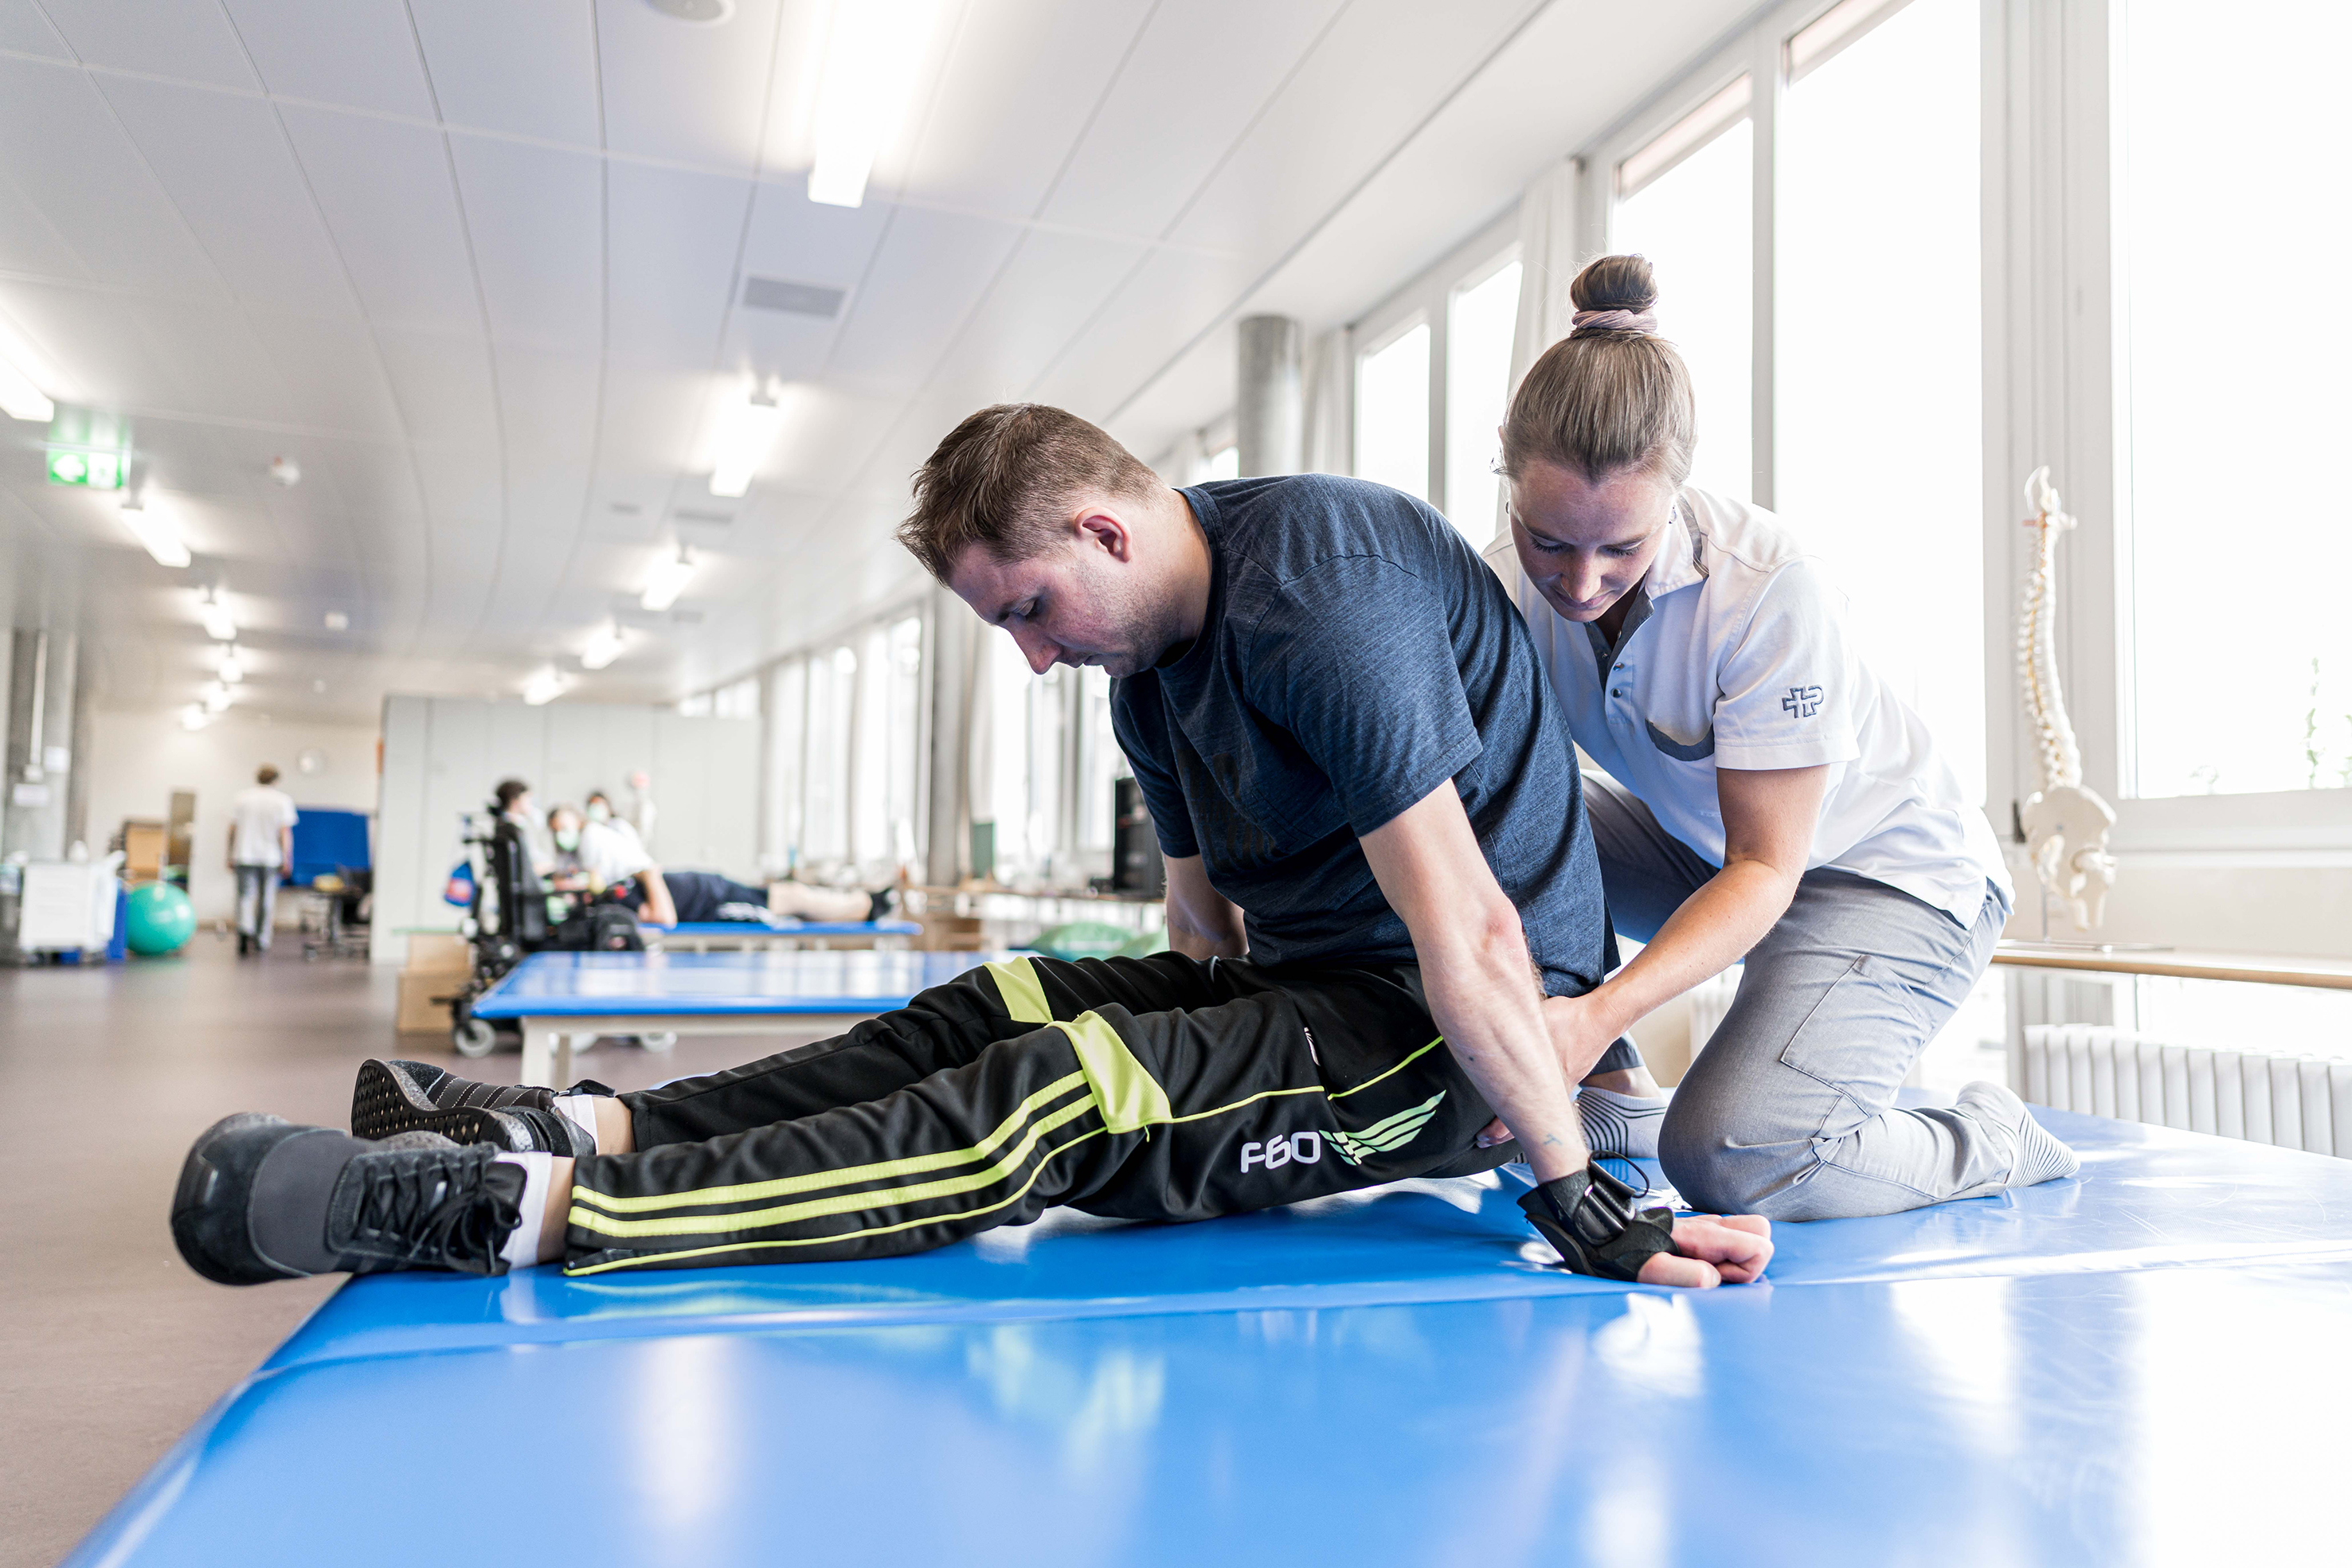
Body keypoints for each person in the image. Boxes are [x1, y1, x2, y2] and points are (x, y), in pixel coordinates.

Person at [170, 404, 1773, 1292]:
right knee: (1002, 1010)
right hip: (1325, 1002)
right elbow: (1207, 939)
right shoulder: (1144, 661)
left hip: (1451, 1048)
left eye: (1028, 611)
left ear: (1104, 532)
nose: (1027, 652)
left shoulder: (1323, 603)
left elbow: (1480, 940)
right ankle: (577, 1120)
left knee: (1064, 1100)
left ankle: (503, 1213)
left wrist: (1575, 1186)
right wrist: (1184, 1041)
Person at [1477, 254, 2076, 1221]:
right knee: (1478, 806)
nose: (1580, 583)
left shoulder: (1765, 591)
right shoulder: (1499, 583)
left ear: (1674, 492)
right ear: (1507, 471)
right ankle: (1617, 1098)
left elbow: (1767, 867)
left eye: (1620, 548)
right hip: (1709, 852)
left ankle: (1992, 1136)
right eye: (1551, 540)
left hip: (1888, 882)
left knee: (1730, 1155)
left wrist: (1592, 1014)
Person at [546, 804, 894, 927]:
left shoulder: (613, 888)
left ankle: (865, 903)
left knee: (792, 894)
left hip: (712, 886)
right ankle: (867, 907)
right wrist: (649, 873)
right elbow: (665, 918)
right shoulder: (617, 906)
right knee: (792, 900)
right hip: (717, 903)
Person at [227, 764, 297, 956]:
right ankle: (262, 940)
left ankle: (244, 932)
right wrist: (287, 858)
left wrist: (229, 855)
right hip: (270, 857)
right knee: (267, 898)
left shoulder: (242, 798)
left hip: (244, 854)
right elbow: (284, 832)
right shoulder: (282, 800)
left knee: (245, 896)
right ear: (275, 780)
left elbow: (232, 830)